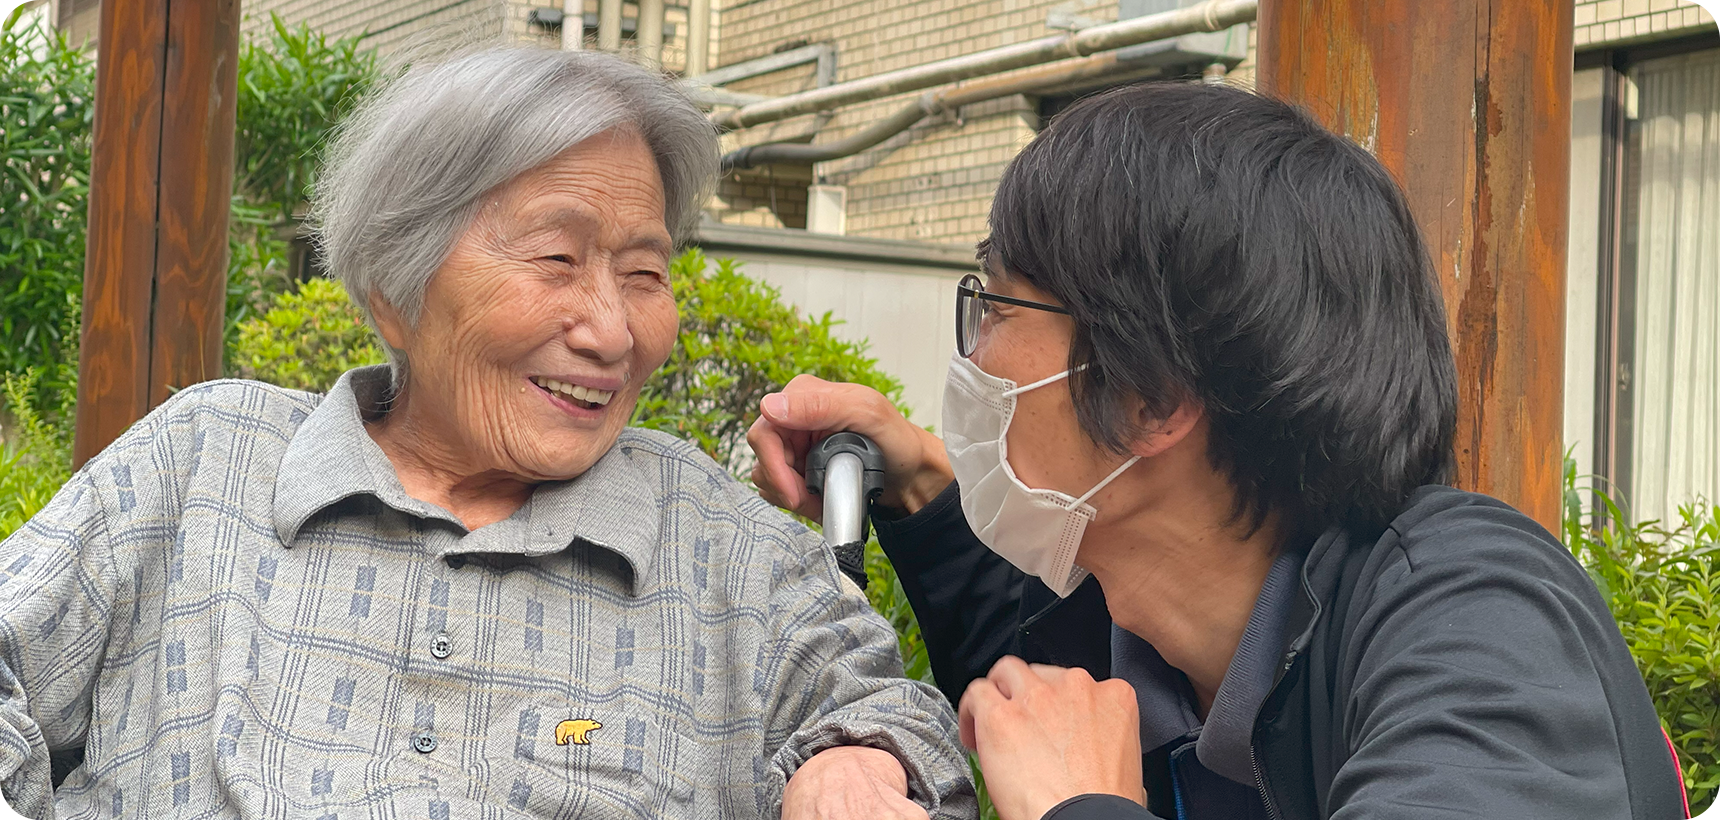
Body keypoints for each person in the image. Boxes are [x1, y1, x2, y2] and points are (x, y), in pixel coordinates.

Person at [0, 49, 975, 819]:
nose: (610, 329)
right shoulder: (205, 461)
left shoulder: (720, 543)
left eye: (643, 272)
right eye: (556, 258)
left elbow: (886, 715)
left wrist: (857, 762)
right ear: (395, 288)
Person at [748, 82, 1688, 820]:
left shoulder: (1479, 623)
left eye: (995, 306)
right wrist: (914, 485)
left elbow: (1066, 755)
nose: (972, 356)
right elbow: (1027, 671)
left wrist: (1085, 809)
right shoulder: (1139, 623)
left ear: (1152, 396)